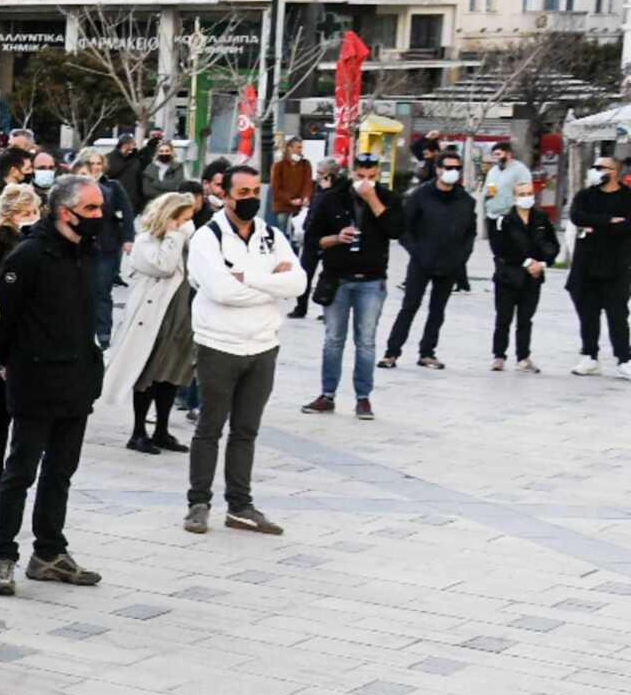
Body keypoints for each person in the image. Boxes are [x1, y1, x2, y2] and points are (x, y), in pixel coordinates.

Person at [0, 175, 107, 596]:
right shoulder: (28, 256)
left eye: (99, 208)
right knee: (20, 471)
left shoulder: (86, 252)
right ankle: (2, 555)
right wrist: (12, 363)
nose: (98, 216)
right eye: (90, 209)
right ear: (64, 211)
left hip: (77, 379)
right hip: (35, 379)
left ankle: (50, 551)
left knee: (61, 472)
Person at [183, 165, 303, 535]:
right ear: (227, 195)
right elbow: (221, 291)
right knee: (209, 428)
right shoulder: (208, 238)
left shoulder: (271, 235)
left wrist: (247, 278)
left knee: (246, 430)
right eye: (243, 192)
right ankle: (198, 502)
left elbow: (298, 282)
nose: (251, 198)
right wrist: (272, 283)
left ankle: (240, 505)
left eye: (256, 191)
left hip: (263, 345)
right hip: (219, 345)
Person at [301, 148, 402, 418]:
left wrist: (373, 201)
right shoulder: (332, 198)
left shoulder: (387, 198)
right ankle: (328, 394)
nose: (365, 181)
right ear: (352, 173)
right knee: (333, 339)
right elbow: (312, 239)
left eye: (370, 176)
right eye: (360, 175)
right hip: (338, 278)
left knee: (366, 341)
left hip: (371, 280)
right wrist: (336, 238)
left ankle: (363, 397)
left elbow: (396, 230)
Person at [101, 192, 199, 454]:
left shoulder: (189, 242)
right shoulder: (146, 241)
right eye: (184, 219)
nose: (189, 224)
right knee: (148, 373)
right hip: (155, 318)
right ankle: (138, 431)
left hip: (183, 315)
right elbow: (164, 267)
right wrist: (174, 236)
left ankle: (162, 429)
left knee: (172, 375)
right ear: (170, 218)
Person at [383, 149, 475, 370]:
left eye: (456, 168)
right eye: (448, 168)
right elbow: (405, 230)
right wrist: (418, 253)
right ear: (438, 169)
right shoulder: (420, 195)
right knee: (409, 307)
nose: (453, 172)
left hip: (450, 264)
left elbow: (469, 233)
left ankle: (427, 352)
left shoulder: (465, 200)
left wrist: (461, 257)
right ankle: (392, 352)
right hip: (421, 262)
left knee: (438, 310)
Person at [569, 153, 631, 377]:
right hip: (587, 264)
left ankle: (624, 358)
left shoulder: (627, 197)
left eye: (602, 167)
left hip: (616, 266)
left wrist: (595, 225)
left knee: (617, 315)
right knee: (588, 313)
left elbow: (627, 226)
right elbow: (576, 216)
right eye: (595, 166)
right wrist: (608, 221)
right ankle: (590, 356)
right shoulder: (586, 195)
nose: (596, 171)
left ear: (615, 172)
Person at [76, 147, 131, 350]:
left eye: (99, 164)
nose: (96, 168)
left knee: (102, 290)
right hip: (81, 247)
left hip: (105, 247)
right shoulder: (74, 186)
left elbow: (126, 211)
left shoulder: (112, 187)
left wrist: (128, 238)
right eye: (92, 164)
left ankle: (104, 333)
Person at [481, 140, 534, 232]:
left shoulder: (520, 170)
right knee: (496, 246)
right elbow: (486, 189)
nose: (496, 158)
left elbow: (526, 192)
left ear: (508, 154)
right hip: (492, 216)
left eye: (498, 154)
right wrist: (487, 194)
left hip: (510, 217)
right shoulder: (493, 171)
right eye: (494, 155)